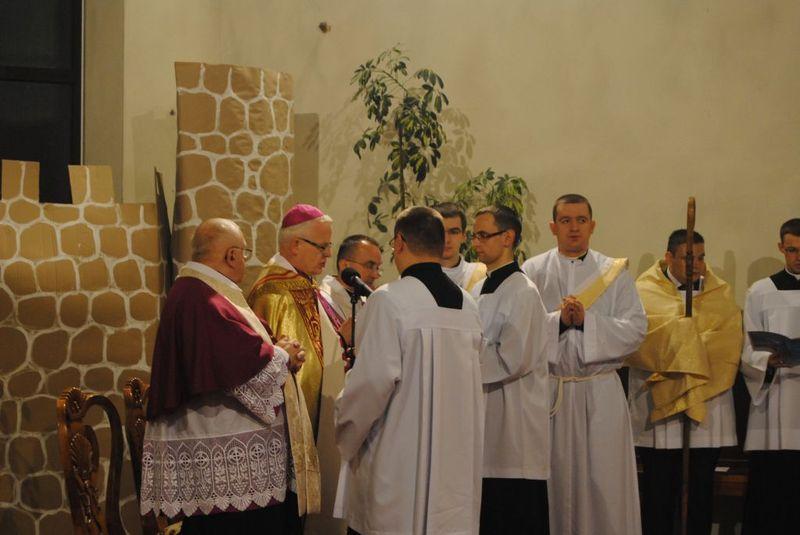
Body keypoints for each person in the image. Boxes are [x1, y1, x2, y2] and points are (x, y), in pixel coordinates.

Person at [141, 218, 319, 534]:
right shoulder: (200, 297)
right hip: (226, 465)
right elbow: (236, 358)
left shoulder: (200, 289)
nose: (245, 262)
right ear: (232, 255)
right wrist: (283, 356)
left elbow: (237, 344)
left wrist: (276, 349)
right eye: (244, 254)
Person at [335, 206, 484, 535]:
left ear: (399, 243)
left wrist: (344, 426)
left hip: (399, 469)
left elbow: (371, 386)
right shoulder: (468, 306)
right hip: (456, 470)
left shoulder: (389, 300)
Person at [521, 193, 647, 535]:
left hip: (600, 391)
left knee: (604, 481)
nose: (573, 228)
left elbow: (636, 329)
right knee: (554, 481)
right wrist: (559, 322)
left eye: (580, 220)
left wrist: (587, 322)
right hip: (552, 394)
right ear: (553, 227)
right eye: (565, 221)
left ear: (592, 225)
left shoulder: (614, 273)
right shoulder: (532, 271)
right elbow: (522, 330)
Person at [628, 230, 741, 535]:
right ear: (668, 257)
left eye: (701, 257)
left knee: (700, 493)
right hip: (659, 413)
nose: (697, 265)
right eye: (689, 258)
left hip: (706, 406)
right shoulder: (643, 292)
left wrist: (685, 346)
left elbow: (728, 344)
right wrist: (685, 343)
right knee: (658, 494)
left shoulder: (719, 293)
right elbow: (637, 342)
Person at [247, 204, 347, 534]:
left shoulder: (305, 284)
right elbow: (277, 367)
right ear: (295, 246)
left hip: (316, 417)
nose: (328, 254)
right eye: (322, 246)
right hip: (287, 433)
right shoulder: (274, 292)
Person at [470, 205, 550, 534]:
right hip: (484, 422)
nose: (475, 243)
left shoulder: (523, 291)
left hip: (514, 427)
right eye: (474, 235)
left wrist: (465, 360)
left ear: (507, 238)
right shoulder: (476, 289)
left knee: (515, 516)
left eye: (483, 235)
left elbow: (512, 358)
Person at [740, 218, 800, 534]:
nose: (798, 257)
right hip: (776, 395)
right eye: (792, 250)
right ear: (781, 248)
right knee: (774, 490)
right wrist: (768, 359)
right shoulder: (761, 291)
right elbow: (747, 347)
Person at [319, 234, 383, 320]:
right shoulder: (322, 300)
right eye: (369, 266)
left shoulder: (366, 300)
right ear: (344, 265)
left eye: (377, 268)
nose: (375, 275)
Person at [432, 202, 487, 291]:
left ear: (463, 236)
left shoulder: (482, 274)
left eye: (453, 232)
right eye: (440, 232)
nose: (446, 240)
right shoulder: (416, 277)